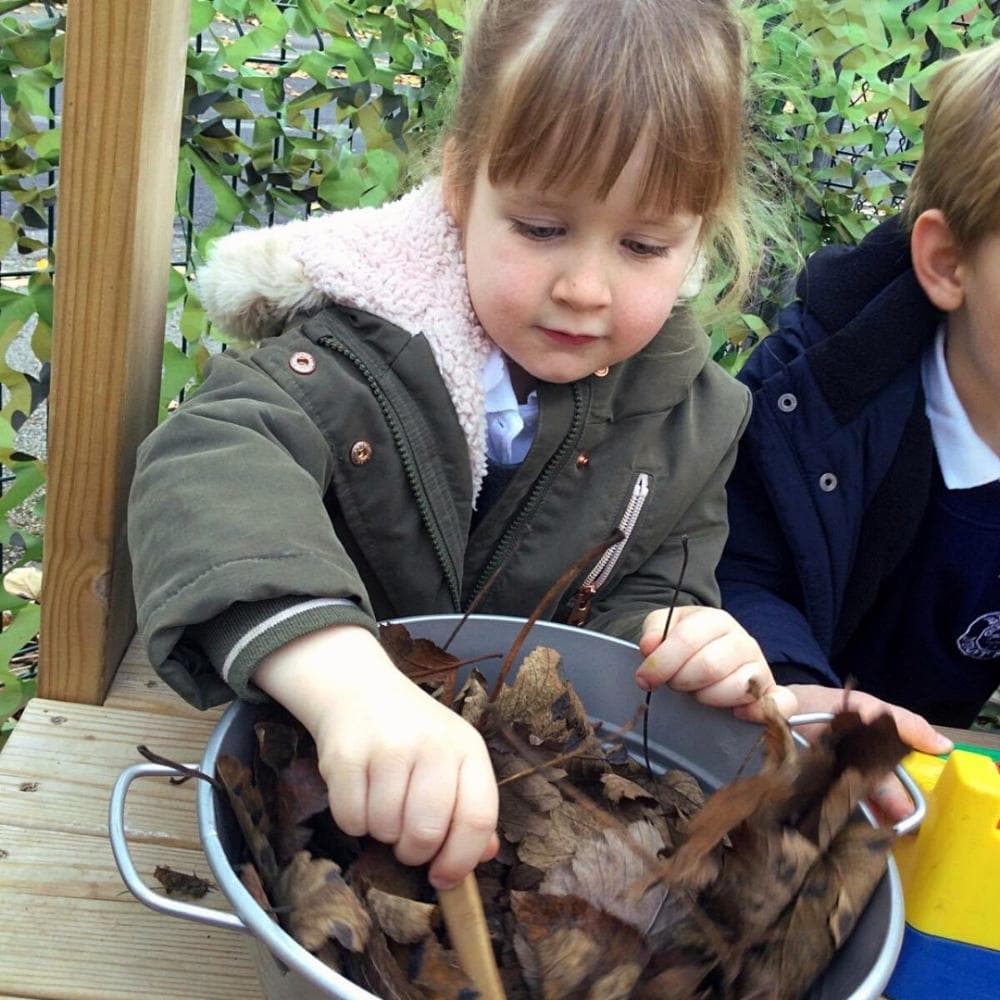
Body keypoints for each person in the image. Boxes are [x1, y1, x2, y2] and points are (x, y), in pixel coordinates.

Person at [129, 0, 796, 892]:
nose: (585, 287)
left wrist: (679, 637)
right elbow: (207, 466)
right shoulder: (350, 353)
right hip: (313, 771)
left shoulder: (693, 421)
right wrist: (347, 684)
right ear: (460, 183)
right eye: (541, 228)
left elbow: (646, 583)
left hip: (515, 812)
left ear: (700, 238)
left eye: (643, 244)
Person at [718, 43, 1000, 760]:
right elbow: (733, 561)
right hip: (770, 732)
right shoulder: (810, 391)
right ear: (947, 263)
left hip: (933, 765)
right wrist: (794, 689)